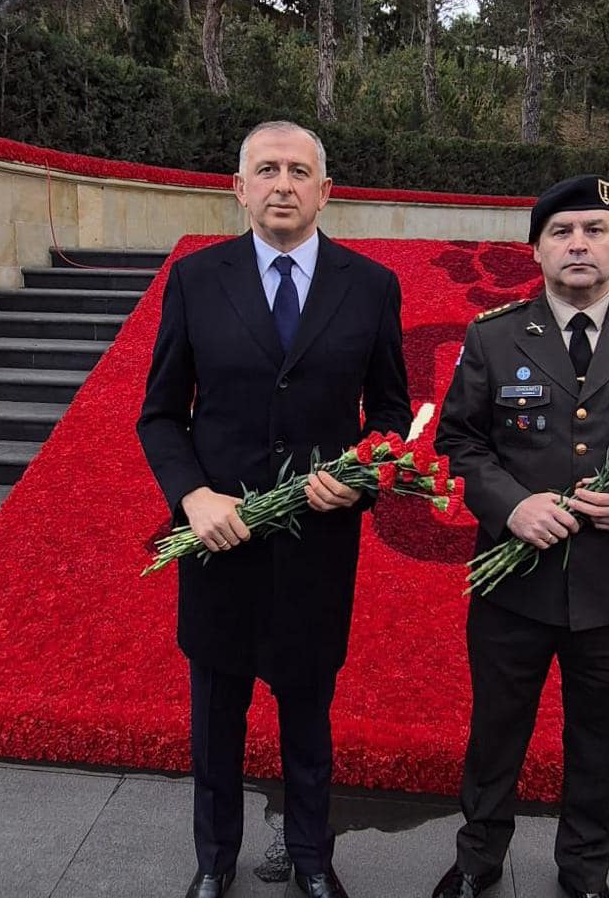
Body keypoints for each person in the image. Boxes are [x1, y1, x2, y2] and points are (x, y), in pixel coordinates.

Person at [137, 120, 411, 898]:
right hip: (219, 544)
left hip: (317, 545)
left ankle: (314, 860)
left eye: (299, 171)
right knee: (216, 718)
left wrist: (363, 473)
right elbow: (160, 414)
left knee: (308, 719)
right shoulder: (195, 280)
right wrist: (192, 497)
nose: (282, 184)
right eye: (266, 170)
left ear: (326, 191)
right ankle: (214, 862)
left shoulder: (369, 286)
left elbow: (391, 411)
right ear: (239, 187)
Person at [431, 174, 609, 898]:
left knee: (600, 742)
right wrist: (513, 507)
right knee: (498, 732)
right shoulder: (494, 336)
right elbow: (459, 443)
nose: (579, 243)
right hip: (514, 584)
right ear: (536, 250)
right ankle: (477, 861)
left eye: (594, 229)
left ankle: (586, 873)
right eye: (561, 232)